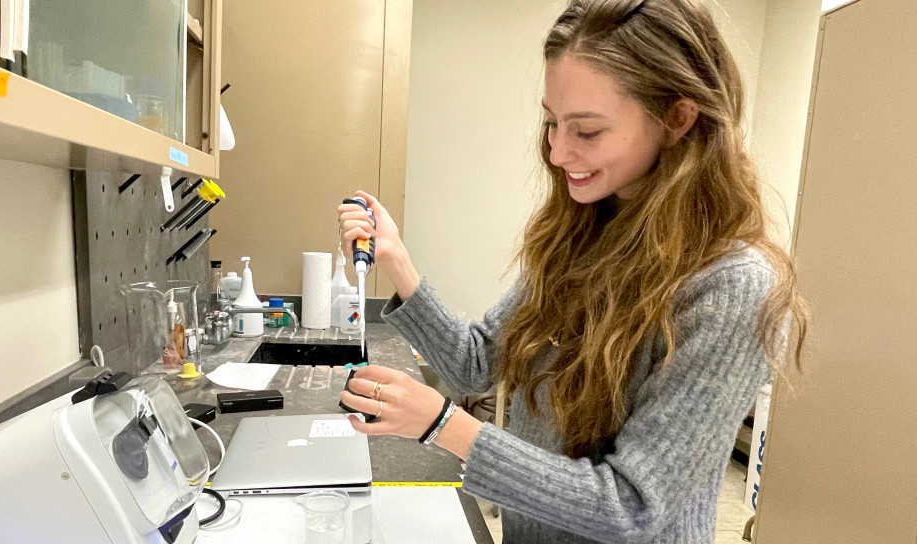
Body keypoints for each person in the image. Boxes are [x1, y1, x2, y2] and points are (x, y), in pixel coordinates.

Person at [337, 0, 807, 542]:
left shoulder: (730, 285)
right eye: (552, 122)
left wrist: (446, 426)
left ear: (677, 119)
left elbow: (630, 506)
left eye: (586, 131)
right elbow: (475, 363)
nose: (558, 152)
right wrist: (397, 258)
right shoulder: (580, 235)